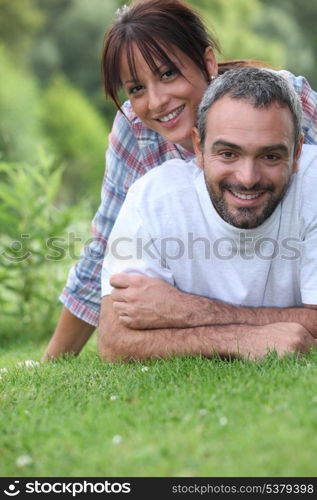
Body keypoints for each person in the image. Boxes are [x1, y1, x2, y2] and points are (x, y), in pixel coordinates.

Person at [43, 0, 317, 360]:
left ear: (207, 63)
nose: (156, 101)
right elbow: (105, 246)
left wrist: (186, 310)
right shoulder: (136, 131)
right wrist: (55, 360)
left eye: (168, 73)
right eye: (136, 88)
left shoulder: (280, 102)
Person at [98, 67, 317, 362]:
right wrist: (242, 340)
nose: (248, 177)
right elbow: (114, 341)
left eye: (270, 156)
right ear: (199, 147)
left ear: (297, 154)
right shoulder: (152, 198)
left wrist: (185, 310)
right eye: (228, 154)